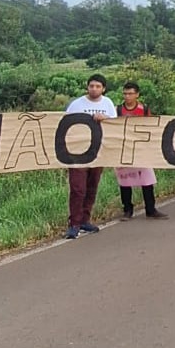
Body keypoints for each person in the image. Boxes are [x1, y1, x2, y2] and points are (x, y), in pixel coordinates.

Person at [63, 74, 117, 239]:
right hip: (77, 154)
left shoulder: (107, 104)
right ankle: (74, 224)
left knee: (92, 187)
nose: (94, 89)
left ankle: (85, 220)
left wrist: (105, 118)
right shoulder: (76, 104)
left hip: (98, 153)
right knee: (78, 188)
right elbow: (64, 125)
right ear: (87, 87)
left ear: (103, 88)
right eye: (91, 86)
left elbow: (116, 125)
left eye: (98, 86)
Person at [117, 81, 167, 221]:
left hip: (142, 149)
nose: (127, 96)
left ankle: (150, 209)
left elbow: (151, 126)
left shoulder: (144, 109)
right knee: (125, 182)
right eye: (125, 93)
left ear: (137, 94)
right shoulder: (118, 110)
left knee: (147, 181)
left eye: (130, 93)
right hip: (124, 149)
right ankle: (127, 210)